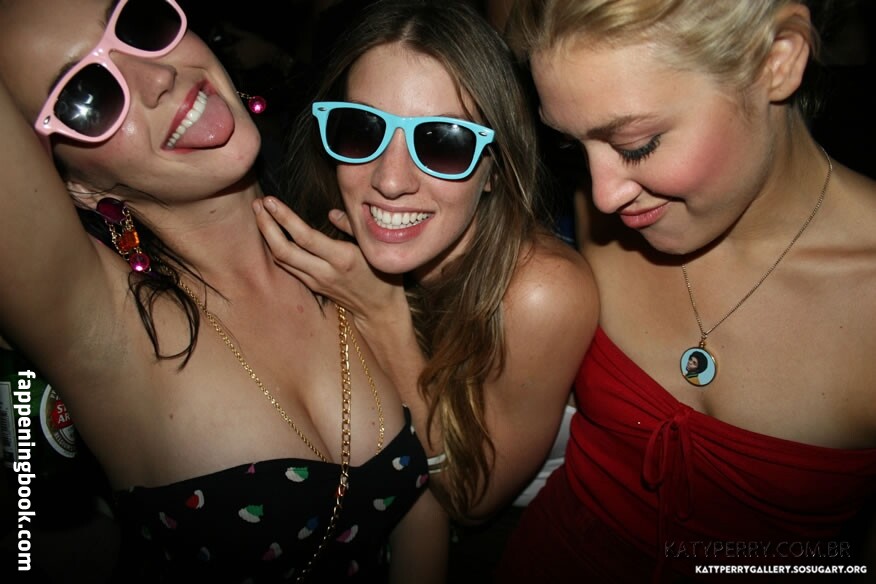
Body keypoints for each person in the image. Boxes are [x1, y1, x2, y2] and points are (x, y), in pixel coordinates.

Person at [0, 1, 445, 582]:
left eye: (139, 24)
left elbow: (421, 503)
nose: (157, 76)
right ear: (75, 184)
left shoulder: (354, 229)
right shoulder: (96, 323)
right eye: (86, 97)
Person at [495, 0, 876, 581]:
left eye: (638, 144)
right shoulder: (612, 213)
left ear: (778, 61)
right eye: (574, 146)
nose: (602, 196)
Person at [253, 0, 599, 524]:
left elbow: (472, 499)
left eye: (443, 144)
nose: (390, 180)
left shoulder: (541, 292)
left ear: (495, 170)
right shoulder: (332, 249)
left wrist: (382, 313)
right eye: (362, 130)